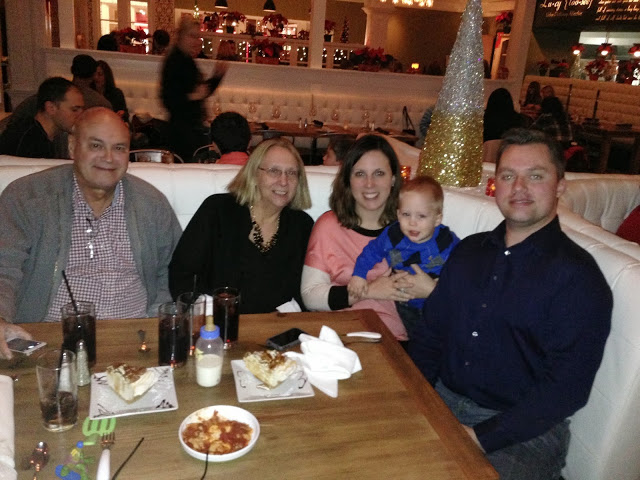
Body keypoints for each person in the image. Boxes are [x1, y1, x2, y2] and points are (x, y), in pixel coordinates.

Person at [409, 128, 612, 480]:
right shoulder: (468, 252)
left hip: (523, 432)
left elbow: (566, 390)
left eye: (535, 176)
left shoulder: (579, 279)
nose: (519, 187)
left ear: (560, 186)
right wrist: (413, 398)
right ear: (496, 185)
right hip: (442, 400)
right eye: (507, 176)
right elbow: (430, 335)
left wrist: (478, 438)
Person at [0, 107, 182, 360]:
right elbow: (4, 267)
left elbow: (173, 271)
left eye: (119, 148)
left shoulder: (151, 203)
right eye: (96, 145)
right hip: (51, 340)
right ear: (72, 147)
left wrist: (156, 323)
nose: (108, 158)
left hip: (135, 337)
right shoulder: (29, 197)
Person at [301, 135, 436, 342]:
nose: (369, 184)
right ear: (348, 179)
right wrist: (369, 291)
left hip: (394, 341)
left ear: (393, 178)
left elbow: (448, 291)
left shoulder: (413, 228)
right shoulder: (328, 225)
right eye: (360, 174)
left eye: (379, 173)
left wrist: (432, 290)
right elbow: (310, 295)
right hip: (337, 339)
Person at [169, 138, 313, 313]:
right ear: (254, 175)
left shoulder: (302, 225)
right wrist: (209, 315)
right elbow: (181, 273)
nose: (284, 181)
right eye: (274, 171)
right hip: (216, 322)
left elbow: (308, 288)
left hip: (279, 325)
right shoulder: (217, 210)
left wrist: (282, 318)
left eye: (292, 173)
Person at [347, 176, 459, 338]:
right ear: (398, 214)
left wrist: (439, 288)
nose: (412, 222)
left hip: (436, 304)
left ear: (437, 219)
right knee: (415, 340)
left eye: (421, 216)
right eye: (406, 214)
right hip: (403, 303)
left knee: (440, 340)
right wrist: (359, 275)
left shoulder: (446, 241)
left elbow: (462, 269)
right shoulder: (392, 235)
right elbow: (371, 252)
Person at [161, 17, 226, 163]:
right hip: (182, 133)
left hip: (191, 130)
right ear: (181, 36)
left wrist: (217, 77)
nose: (196, 41)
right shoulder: (175, 61)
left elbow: (202, 92)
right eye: (192, 36)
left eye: (198, 37)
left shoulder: (187, 60)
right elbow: (168, 99)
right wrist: (193, 96)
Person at [0, 77, 84, 158]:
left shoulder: (51, 137)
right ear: (51, 108)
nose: (81, 116)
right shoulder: (29, 140)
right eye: (74, 110)